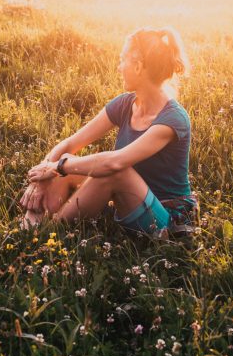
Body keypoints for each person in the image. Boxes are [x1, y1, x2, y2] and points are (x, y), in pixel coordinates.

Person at [20, 26, 198, 239]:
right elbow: (69, 145)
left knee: (111, 171)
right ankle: (31, 225)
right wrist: (41, 178)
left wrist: (57, 166)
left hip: (167, 218)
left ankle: (48, 235)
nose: (119, 66)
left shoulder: (173, 119)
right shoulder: (124, 104)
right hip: (130, 200)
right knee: (65, 160)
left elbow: (115, 163)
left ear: (139, 66)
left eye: (123, 60)